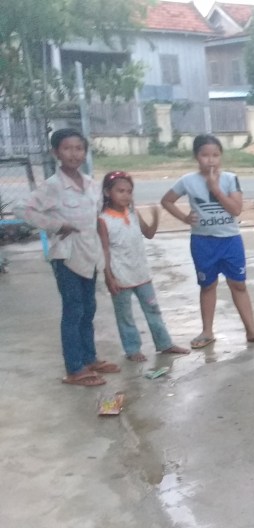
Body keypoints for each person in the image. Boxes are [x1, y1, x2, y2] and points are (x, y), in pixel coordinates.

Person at [20, 128, 121, 386]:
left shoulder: (90, 184)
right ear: (56, 152)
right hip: (66, 257)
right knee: (73, 310)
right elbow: (27, 211)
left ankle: (89, 359)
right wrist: (56, 225)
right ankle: (74, 369)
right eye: (67, 148)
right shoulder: (52, 186)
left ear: (85, 152)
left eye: (79, 148)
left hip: (89, 254)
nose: (73, 154)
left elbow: (96, 217)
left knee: (88, 309)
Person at [160, 134, 254, 349]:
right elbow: (167, 201)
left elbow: (236, 209)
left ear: (221, 156)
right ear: (196, 157)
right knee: (208, 285)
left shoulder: (230, 179)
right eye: (205, 155)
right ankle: (207, 332)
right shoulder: (187, 181)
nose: (211, 160)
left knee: (238, 284)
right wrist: (184, 218)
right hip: (203, 242)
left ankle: (252, 330)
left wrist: (215, 189)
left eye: (215, 155)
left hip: (230, 240)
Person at [98, 171, 190, 361]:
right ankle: (132, 349)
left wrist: (155, 219)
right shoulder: (104, 220)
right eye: (120, 191)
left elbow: (148, 233)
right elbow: (104, 250)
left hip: (141, 273)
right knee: (125, 315)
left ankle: (164, 343)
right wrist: (109, 276)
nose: (125, 195)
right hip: (120, 276)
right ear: (107, 192)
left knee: (153, 309)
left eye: (129, 191)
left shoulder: (132, 213)